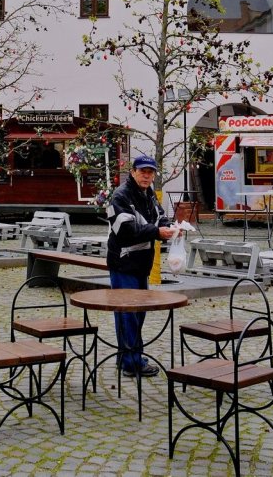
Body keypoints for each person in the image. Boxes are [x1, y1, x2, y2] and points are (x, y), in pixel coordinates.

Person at [106, 154, 178, 378]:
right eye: (142, 171)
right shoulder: (120, 196)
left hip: (140, 264)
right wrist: (157, 232)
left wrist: (170, 227)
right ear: (133, 172)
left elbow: (160, 216)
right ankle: (131, 363)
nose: (146, 176)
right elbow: (125, 231)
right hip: (124, 263)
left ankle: (127, 357)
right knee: (128, 314)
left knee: (137, 313)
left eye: (150, 172)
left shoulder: (148, 194)